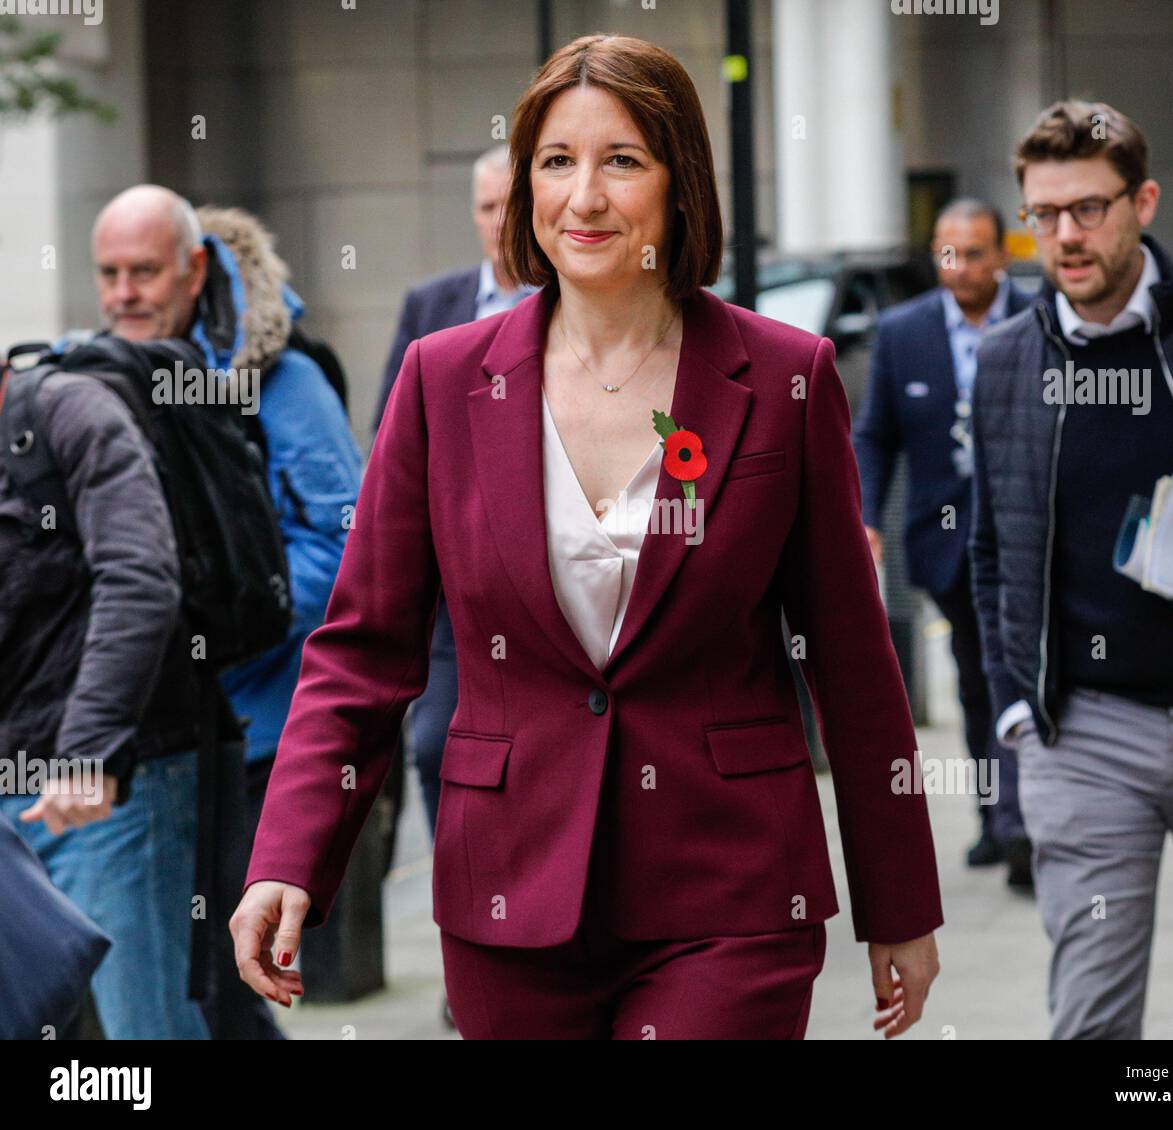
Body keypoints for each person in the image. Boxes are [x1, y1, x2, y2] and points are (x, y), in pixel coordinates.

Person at [233, 34, 942, 1040]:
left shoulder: (786, 377)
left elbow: (851, 658)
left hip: (730, 894)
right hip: (510, 895)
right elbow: (362, 648)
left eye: (622, 160)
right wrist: (288, 857)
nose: (585, 197)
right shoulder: (442, 380)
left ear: (679, 183)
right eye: (556, 161)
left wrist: (899, 899)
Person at [971, 100, 1173, 1038]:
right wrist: (1015, 712)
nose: (1065, 237)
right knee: (1091, 1017)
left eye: (1090, 208)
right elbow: (994, 550)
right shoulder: (1005, 362)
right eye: (1043, 214)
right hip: (1084, 736)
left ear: (1143, 201)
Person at [0, 192, 229, 1037]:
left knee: (147, 1029)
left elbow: (140, 578)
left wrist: (87, 751)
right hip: (15, 791)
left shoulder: (70, 413)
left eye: (144, 270)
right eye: (110, 273)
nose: (125, 290)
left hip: (113, 788)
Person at [192, 204, 362, 1038]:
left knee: (228, 970)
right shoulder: (138, 376)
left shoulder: (285, 381)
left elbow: (342, 541)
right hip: (175, 727)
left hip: (265, 722)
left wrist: (227, 625)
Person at [852, 198, 1033, 885]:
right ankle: (996, 817)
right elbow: (875, 433)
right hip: (946, 539)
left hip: (1025, 536)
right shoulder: (903, 332)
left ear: (1004, 255)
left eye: (975, 253)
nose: (959, 267)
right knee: (976, 675)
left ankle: (1021, 821)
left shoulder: (1038, 319)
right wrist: (865, 515)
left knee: (1011, 665)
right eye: (946, 253)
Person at [374, 144, 537, 844]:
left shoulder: (567, 310)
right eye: (487, 207)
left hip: (540, 568)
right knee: (437, 742)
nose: (500, 222)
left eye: (511, 205)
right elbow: (392, 434)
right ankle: (465, 888)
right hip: (453, 574)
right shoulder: (431, 306)